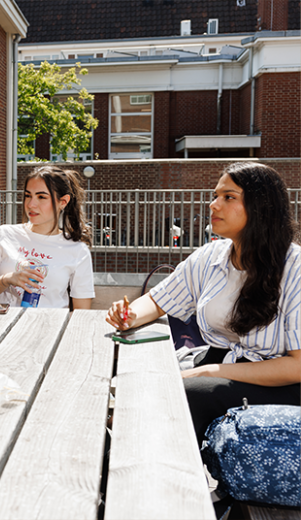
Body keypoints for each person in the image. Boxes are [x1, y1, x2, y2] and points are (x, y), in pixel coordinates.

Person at [105, 162, 301, 444]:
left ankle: (151, 477)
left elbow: (296, 366)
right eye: (216, 195)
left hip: (279, 385)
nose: (214, 205)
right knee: (139, 381)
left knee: (180, 394)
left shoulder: (294, 268)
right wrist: (128, 315)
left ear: (261, 207)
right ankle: (114, 464)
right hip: (217, 362)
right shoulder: (211, 256)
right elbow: (159, 300)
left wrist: (210, 371)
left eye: (228, 197)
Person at [0, 166, 94, 309]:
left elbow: (81, 313)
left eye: (41, 197)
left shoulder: (78, 250)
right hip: (1, 325)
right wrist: (7, 279)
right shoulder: (4, 234)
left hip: (48, 327)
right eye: (28, 195)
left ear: (63, 202)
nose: (31, 204)